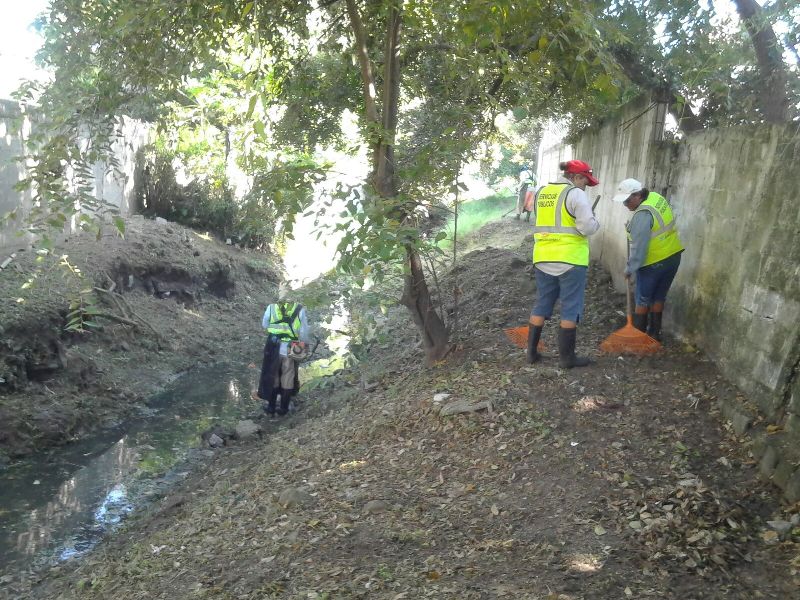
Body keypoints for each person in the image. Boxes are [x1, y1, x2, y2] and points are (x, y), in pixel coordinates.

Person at [528, 159, 600, 368]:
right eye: (585, 181)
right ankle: (567, 359)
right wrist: (595, 221)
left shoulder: (542, 192)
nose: (585, 186)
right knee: (570, 307)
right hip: (570, 260)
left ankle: (531, 353)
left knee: (542, 303)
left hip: (543, 257)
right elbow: (587, 227)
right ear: (576, 177)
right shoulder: (575, 194)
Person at [612, 178, 684, 341]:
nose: (626, 205)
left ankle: (638, 336)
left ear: (637, 195)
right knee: (659, 296)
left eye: (627, 201)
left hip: (654, 262)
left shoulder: (642, 215)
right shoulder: (656, 198)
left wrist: (630, 268)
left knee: (643, 299)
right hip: (673, 256)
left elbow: (639, 249)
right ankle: (654, 333)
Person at [252, 283, 310, 417]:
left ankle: (271, 407)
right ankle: (283, 408)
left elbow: (265, 324)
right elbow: (304, 332)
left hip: (273, 347)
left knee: (273, 375)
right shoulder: (299, 309)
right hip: (291, 347)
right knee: (288, 376)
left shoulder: (271, 308)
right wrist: (304, 345)